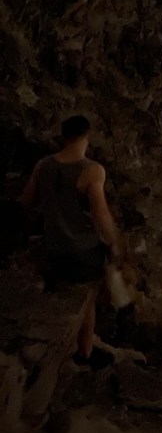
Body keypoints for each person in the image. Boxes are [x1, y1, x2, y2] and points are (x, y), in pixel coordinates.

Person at [19, 115, 124, 368]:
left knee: (74, 294)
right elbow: (100, 214)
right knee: (90, 294)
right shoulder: (92, 170)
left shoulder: (43, 165)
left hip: (53, 249)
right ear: (87, 137)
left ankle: (80, 348)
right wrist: (115, 244)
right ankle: (84, 352)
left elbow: (26, 201)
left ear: (63, 137)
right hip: (82, 253)